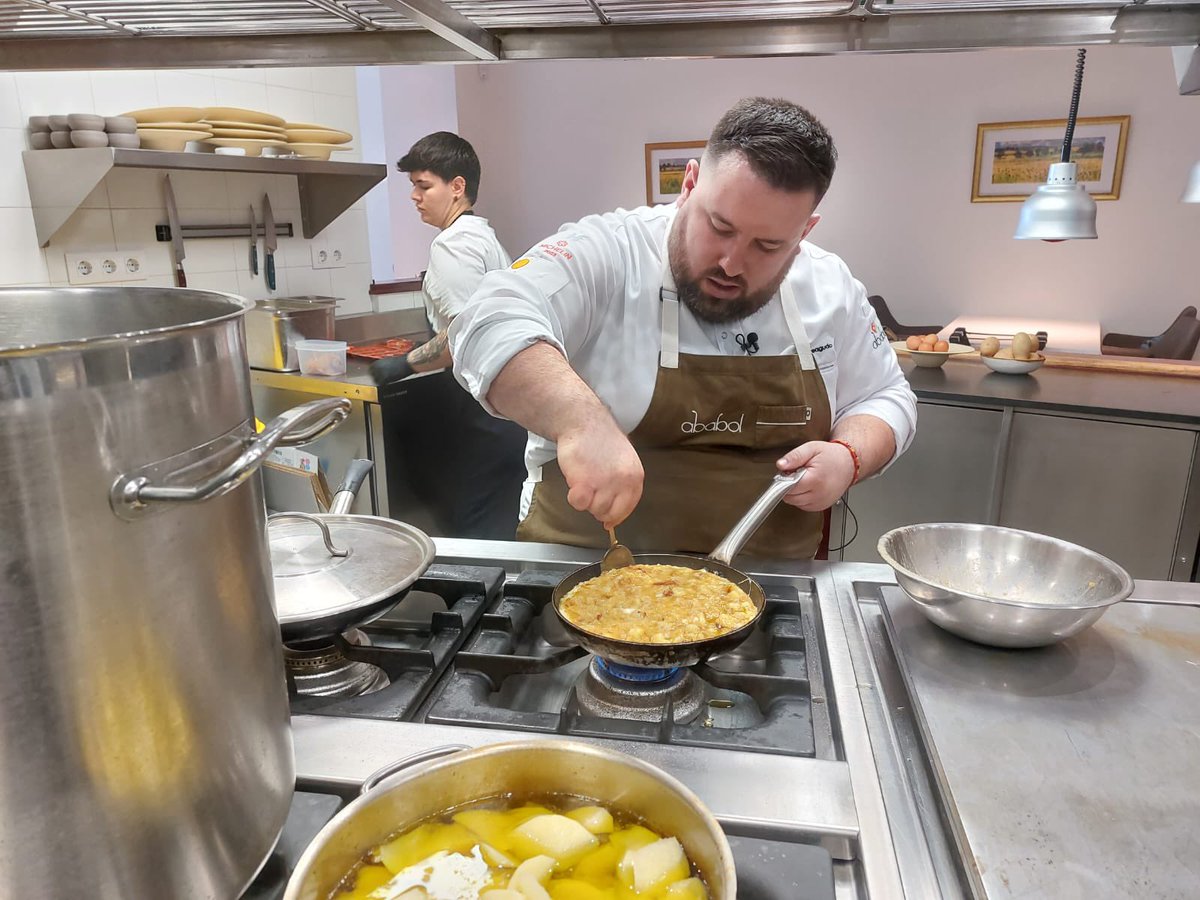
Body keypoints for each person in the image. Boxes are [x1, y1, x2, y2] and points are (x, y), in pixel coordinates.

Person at [449, 98, 918, 559]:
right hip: (583, 577)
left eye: (769, 245)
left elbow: (886, 395)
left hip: (772, 592)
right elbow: (488, 319)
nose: (732, 263)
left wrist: (849, 457)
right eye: (719, 226)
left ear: (805, 232)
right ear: (689, 185)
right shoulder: (611, 251)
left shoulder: (830, 286)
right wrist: (581, 422)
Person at [371, 131, 527, 540]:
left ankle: (485, 602)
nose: (414, 197)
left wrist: (402, 364)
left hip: (483, 414)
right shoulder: (483, 238)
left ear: (457, 187)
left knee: (477, 531)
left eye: (423, 186)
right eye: (413, 187)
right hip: (505, 414)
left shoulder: (452, 247)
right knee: (499, 524)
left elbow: (465, 339)